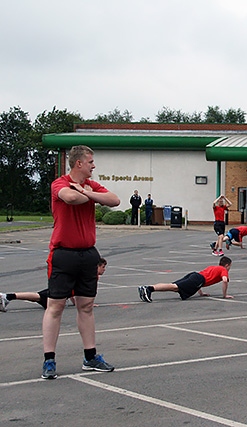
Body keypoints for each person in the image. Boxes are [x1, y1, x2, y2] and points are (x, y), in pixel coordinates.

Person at [42, 145, 120, 380]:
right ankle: (49, 360)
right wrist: (83, 192)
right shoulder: (60, 183)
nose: (93, 166)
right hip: (63, 254)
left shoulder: (90, 186)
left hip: (88, 254)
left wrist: (87, 192)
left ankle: (90, 357)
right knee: (55, 307)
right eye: (90, 162)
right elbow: (71, 198)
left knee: (85, 306)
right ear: (78, 163)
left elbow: (114, 200)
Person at [1, 259, 107, 312]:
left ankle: (8, 297)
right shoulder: (92, 277)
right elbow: (79, 292)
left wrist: (76, 302)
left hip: (62, 294)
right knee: (38, 296)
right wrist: (86, 303)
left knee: (37, 297)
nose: (104, 269)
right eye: (103, 267)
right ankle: (8, 296)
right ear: (97, 266)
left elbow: (74, 292)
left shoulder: (87, 275)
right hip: (59, 294)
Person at [138, 256, 232, 302]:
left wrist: (201, 293)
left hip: (195, 275)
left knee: (174, 287)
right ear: (227, 265)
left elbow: (201, 277)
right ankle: (148, 288)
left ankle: (148, 289)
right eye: (230, 266)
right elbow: (224, 280)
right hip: (198, 279)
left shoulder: (213, 267)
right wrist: (225, 295)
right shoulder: (223, 270)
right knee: (174, 287)